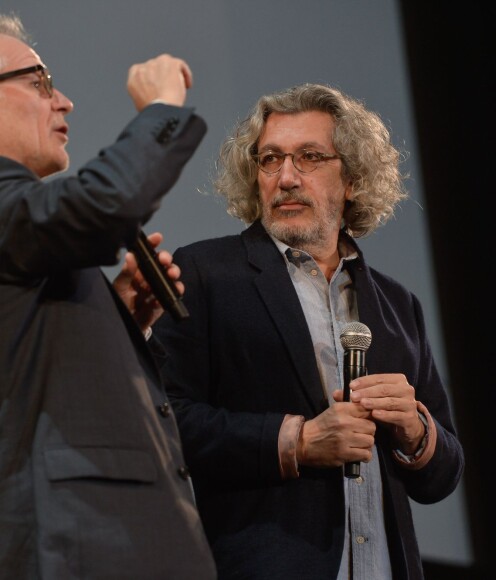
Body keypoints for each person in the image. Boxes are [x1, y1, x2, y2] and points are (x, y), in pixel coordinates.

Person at [153, 82, 465, 579]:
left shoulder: (398, 303)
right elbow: (164, 422)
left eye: (310, 157)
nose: (287, 178)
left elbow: (442, 476)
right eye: (270, 160)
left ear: (353, 180)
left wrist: (416, 430)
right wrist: (296, 441)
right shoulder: (205, 274)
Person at [0, 14, 216, 580]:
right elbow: (105, 205)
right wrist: (161, 111)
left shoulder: (21, 229)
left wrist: (121, 314)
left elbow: (28, 363)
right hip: (77, 548)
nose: (64, 101)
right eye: (39, 81)